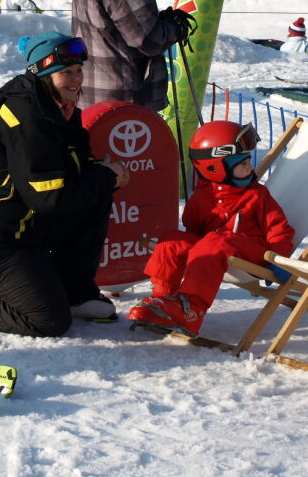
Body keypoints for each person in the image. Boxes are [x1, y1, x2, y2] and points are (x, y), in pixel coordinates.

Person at [0, 31, 127, 337]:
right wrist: (106, 176)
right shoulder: (28, 118)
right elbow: (50, 197)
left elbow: (76, 169)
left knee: (95, 195)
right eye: (66, 72)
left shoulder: (59, 110)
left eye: (79, 70)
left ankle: (76, 292)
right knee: (48, 320)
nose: (76, 79)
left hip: (24, 227)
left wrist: (104, 174)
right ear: (43, 73)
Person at [126, 121, 295, 337]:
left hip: (253, 255)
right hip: (215, 253)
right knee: (172, 240)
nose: (250, 167)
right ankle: (163, 302)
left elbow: (279, 229)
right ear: (215, 168)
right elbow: (194, 231)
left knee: (216, 240)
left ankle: (192, 309)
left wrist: (279, 259)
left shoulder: (256, 195)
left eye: (248, 161)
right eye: (242, 164)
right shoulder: (202, 198)